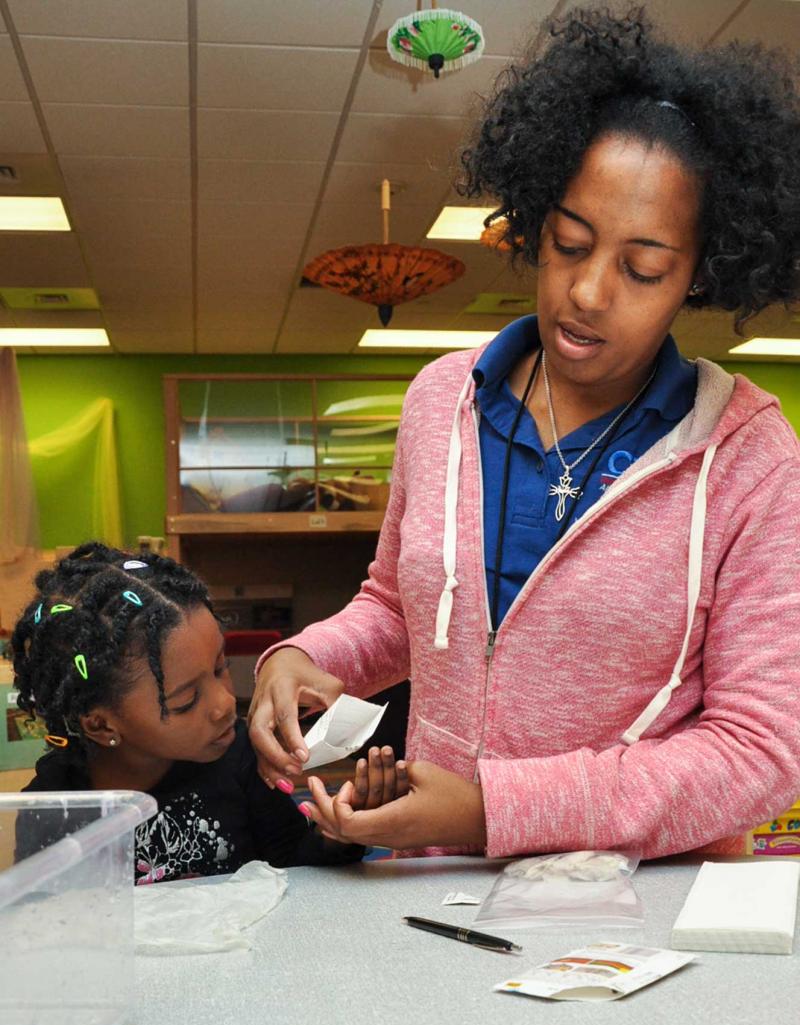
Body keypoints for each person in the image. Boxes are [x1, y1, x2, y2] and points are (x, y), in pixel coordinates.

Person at [248, 7, 800, 859]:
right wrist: (301, 658)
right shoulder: (443, 399)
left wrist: (489, 811)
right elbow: (401, 607)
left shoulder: (750, 460)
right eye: (568, 243)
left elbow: (761, 751)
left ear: (700, 275)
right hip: (441, 891)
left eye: (643, 268)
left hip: (637, 923)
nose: (587, 292)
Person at [12, 542, 407, 883]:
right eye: (186, 701)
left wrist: (338, 833)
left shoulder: (238, 761)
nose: (223, 705)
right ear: (100, 724)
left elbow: (296, 864)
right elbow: (48, 924)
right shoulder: (54, 806)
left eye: (221, 668)